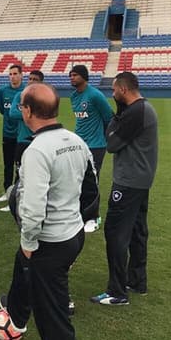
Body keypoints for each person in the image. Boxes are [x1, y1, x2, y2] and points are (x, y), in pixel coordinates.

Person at [0, 82, 97, 340]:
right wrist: (73, 217)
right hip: (73, 234)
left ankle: (29, 317)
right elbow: (92, 189)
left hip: (50, 243)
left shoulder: (37, 150)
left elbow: (34, 207)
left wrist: (29, 243)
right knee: (24, 268)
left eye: (21, 106)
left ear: (28, 111)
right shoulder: (77, 141)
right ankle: (16, 316)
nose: (21, 110)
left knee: (52, 318)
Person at [91, 72, 158, 306]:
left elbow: (111, 143)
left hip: (128, 182)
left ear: (124, 90)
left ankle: (117, 291)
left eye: (115, 90)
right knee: (138, 230)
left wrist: (115, 120)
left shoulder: (135, 112)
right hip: (140, 180)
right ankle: (136, 281)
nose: (113, 94)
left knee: (115, 232)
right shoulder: (141, 109)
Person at [69, 65, 113, 232]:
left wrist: (103, 139)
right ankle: (80, 213)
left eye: (75, 75)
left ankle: (94, 217)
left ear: (84, 77)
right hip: (79, 144)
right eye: (70, 75)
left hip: (96, 145)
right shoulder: (73, 96)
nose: (71, 78)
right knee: (77, 180)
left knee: (91, 182)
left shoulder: (95, 95)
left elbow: (109, 117)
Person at [4, 70, 45, 212]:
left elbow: (45, 114)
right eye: (30, 78)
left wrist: (26, 112)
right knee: (20, 172)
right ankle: (16, 202)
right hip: (22, 140)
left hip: (40, 140)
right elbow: (13, 113)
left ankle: (38, 203)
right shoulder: (20, 95)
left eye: (35, 79)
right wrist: (32, 113)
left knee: (39, 174)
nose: (31, 81)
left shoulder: (43, 97)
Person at [0, 65, 24, 201]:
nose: (12, 76)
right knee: (7, 164)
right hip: (7, 133)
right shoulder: (3, 90)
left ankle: (16, 192)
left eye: (15, 73)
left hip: (21, 135)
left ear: (21, 75)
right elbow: (2, 109)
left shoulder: (25, 91)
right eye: (10, 74)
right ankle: (7, 191)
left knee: (19, 165)